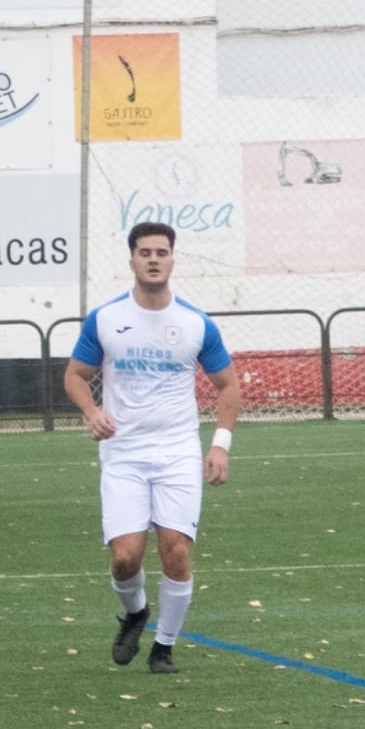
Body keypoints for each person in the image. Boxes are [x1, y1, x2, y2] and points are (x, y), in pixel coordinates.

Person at [63, 220, 241, 679]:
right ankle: (136, 613)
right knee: (125, 558)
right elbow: (74, 376)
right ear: (132, 261)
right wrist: (91, 411)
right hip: (123, 453)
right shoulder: (105, 319)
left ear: (172, 259)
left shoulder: (195, 323)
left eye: (162, 252)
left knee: (176, 551)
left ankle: (164, 647)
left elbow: (228, 385)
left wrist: (219, 446)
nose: (154, 259)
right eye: (145, 252)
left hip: (178, 451)